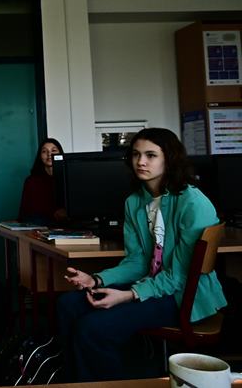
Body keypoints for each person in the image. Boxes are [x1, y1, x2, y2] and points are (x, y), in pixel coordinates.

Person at [57, 128, 227, 382]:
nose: (141, 161)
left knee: (93, 329)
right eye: (136, 155)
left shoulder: (192, 202)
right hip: (152, 284)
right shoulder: (135, 202)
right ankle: (75, 383)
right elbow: (137, 261)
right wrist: (97, 280)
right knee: (68, 304)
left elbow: (179, 276)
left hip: (183, 295)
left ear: (169, 159)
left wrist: (128, 295)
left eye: (150, 155)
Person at [18, 138, 66, 225]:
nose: (49, 154)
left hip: (68, 224)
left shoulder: (69, 178)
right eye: (44, 151)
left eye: (54, 151)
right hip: (40, 225)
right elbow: (26, 213)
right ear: (40, 156)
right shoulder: (31, 181)